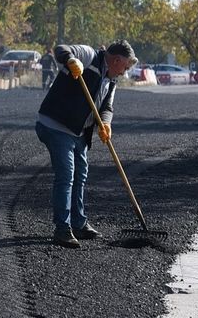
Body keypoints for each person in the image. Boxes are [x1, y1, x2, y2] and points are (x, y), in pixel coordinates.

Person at [35, 40, 138, 249]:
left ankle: (78, 223)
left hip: (79, 131)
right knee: (66, 174)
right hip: (55, 125)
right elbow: (61, 50)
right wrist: (71, 60)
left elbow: (107, 106)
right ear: (116, 60)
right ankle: (62, 229)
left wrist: (106, 123)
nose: (124, 73)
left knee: (80, 173)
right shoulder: (89, 56)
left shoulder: (111, 79)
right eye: (125, 67)